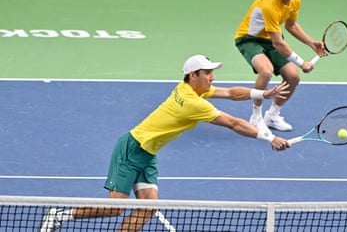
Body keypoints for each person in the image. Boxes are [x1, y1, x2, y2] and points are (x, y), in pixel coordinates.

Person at [40, 54, 291, 232]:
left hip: (147, 154)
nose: (213, 77)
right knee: (115, 207)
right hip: (132, 149)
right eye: (208, 73)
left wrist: (262, 94)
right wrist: (269, 137)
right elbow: (234, 123)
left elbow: (229, 92)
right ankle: (60, 215)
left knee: (149, 208)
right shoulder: (194, 103)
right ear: (193, 75)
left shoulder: (187, 88)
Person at [234, 0, 325, 133]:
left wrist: (311, 43)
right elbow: (278, 44)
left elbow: (291, 25)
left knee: (293, 77)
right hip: (249, 39)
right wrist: (301, 62)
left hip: (269, 38)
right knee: (266, 71)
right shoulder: (269, 5)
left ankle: (272, 115)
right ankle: (255, 117)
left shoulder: (295, 0)